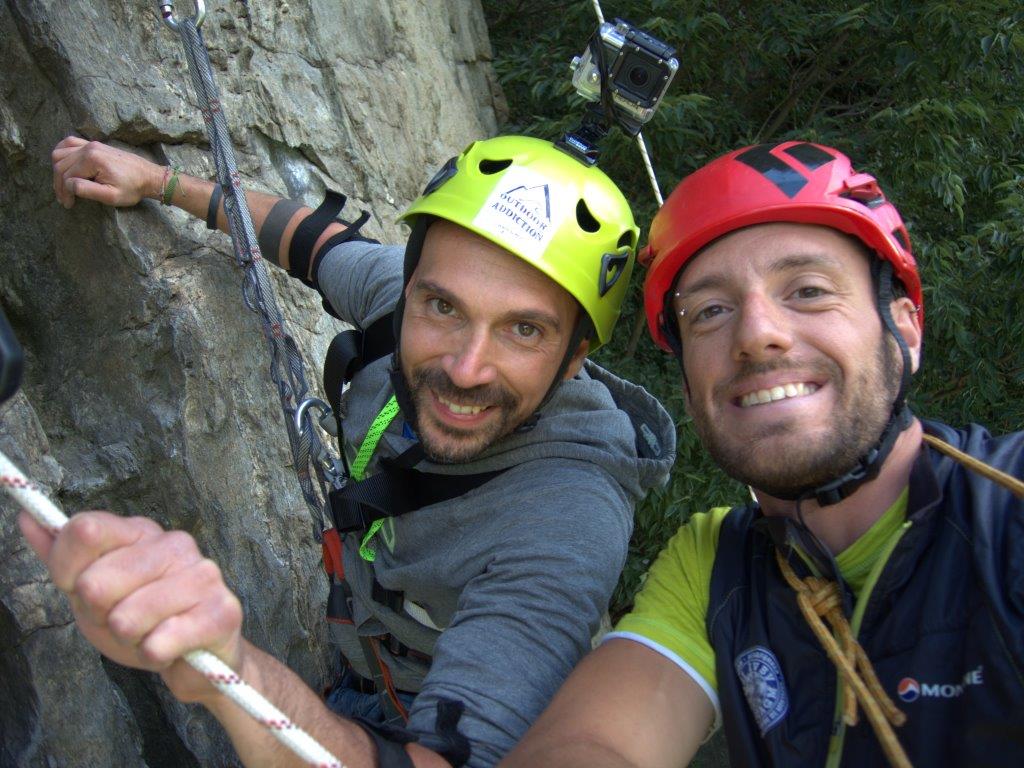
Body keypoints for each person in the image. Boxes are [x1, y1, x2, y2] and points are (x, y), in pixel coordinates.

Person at [27, 134, 675, 767]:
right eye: (443, 306)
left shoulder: (568, 525)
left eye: (524, 329)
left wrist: (237, 670)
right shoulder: (408, 298)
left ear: (573, 361)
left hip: (417, 717)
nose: (468, 367)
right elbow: (309, 240)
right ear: (414, 284)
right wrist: (158, 182)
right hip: (363, 652)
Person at [500, 140, 1024, 768]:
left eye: (807, 290)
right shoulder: (715, 565)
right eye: (711, 311)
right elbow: (592, 745)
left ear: (905, 330)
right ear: (690, 391)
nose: (755, 335)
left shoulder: (1007, 509)